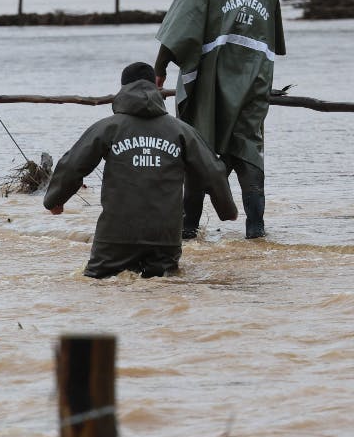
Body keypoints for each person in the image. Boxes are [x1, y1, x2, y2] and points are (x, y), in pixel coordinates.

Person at [44, 62, 238, 279]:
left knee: (96, 285)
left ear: (122, 89)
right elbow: (213, 171)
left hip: (115, 238)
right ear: (156, 88)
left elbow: (72, 165)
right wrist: (227, 210)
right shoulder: (182, 130)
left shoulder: (108, 127)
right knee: (163, 286)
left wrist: (55, 200)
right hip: (165, 240)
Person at [154, 0, 284, 239]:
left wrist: (158, 72)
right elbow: (274, 45)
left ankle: (188, 230)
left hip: (210, 88)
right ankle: (256, 232)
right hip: (253, 87)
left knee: (199, 152)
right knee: (249, 150)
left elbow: (176, 36)